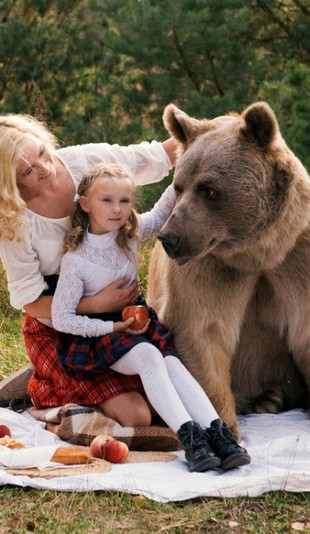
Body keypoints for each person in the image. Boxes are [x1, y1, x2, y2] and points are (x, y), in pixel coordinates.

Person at [0, 113, 178, 427]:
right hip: (60, 327)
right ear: (9, 181)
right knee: (138, 416)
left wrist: (211, 131)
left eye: (41, 152)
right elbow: (31, 301)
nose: (46, 168)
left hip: (119, 317)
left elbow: (152, 157)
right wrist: (97, 304)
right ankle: (46, 390)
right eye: (29, 170)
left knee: (170, 398)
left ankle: (50, 379)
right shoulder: (11, 219)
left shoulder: (83, 161)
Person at [50, 163, 250, 472]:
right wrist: (113, 325)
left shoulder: (127, 236)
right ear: (86, 203)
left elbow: (158, 215)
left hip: (137, 321)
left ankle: (218, 433)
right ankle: (191, 440)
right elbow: (62, 318)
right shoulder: (76, 260)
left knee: (171, 362)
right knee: (147, 355)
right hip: (99, 335)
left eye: (125, 201)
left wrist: (187, 169)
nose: (118, 210)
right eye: (107, 200)